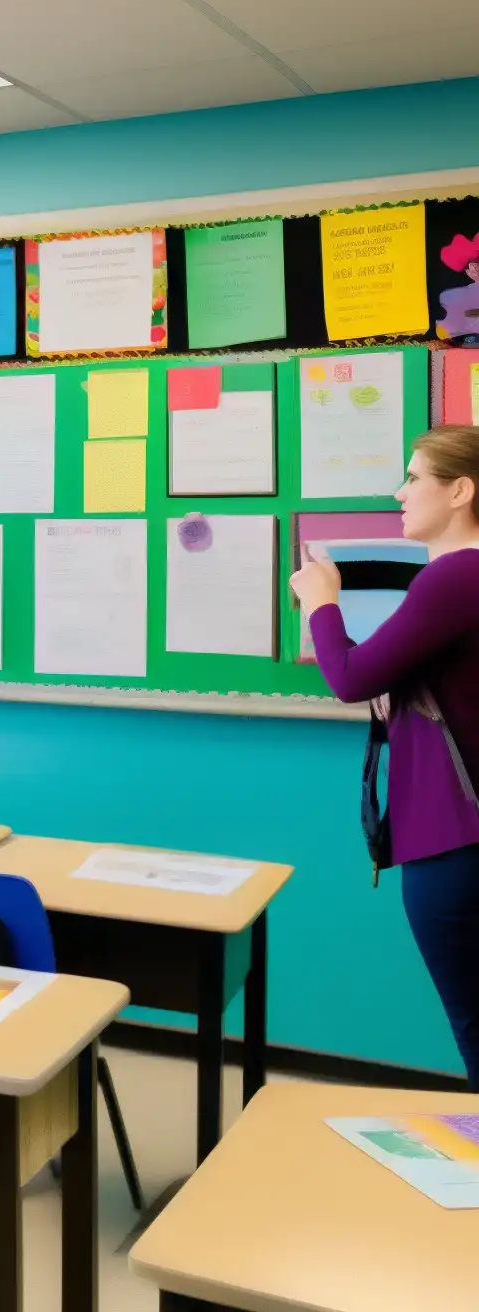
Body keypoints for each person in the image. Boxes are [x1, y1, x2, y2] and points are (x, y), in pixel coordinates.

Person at [294, 426, 479, 1087]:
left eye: (413, 478)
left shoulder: (455, 577)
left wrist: (321, 601)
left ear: (460, 490)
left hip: (458, 845)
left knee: (474, 1023)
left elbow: (348, 676)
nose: (400, 494)